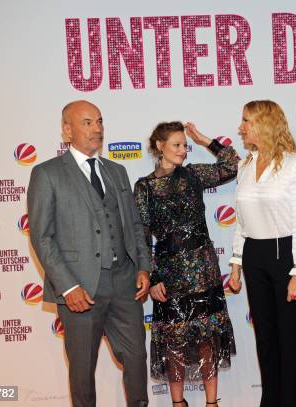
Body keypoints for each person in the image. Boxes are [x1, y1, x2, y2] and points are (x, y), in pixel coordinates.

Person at [27, 100, 151, 407]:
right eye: (87, 123)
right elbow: (42, 237)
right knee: (82, 369)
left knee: (136, 357)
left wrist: (143, 267)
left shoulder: (117, 171)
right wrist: (68, 286)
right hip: (79, 288)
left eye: (99, 121)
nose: (97, 129)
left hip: (124, 283)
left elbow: (134, 225)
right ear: (67, 130)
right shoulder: (47, 174)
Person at [133, 121, 239, 407]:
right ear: (160, 147)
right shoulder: (144, 187)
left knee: (208, 339)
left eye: (184, 145)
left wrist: (206, 141)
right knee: (174, 343)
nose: (183, 150)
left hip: (204, 270)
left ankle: (211, 403)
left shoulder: (192, 175)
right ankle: (178, 404)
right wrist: (153, 277)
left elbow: (232, 165)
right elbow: (141, 235)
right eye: (176, 145)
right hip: (169, 274)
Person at [228, 100, 296, 407]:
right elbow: (241, 219)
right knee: (265, 339)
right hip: (254, 255)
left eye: (246, 120)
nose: (241, 127)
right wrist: (236, 262)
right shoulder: (245, 164)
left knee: (289, 341)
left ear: (264, 123)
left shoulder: (294, 163)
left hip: (285, 256)